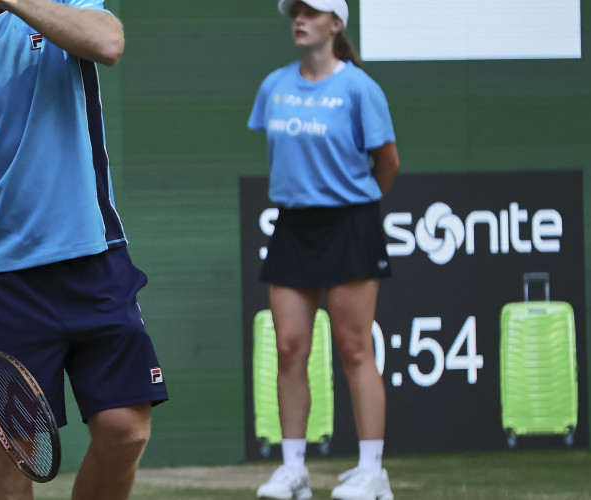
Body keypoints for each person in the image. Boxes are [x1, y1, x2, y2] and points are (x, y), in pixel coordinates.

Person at [0, 1, 168, 499]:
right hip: (0, 282)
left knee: (127, 431)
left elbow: (108, 42)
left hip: (96, 260)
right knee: (14, 459)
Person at [247, 1, 401, 499]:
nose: (299, 18)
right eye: (295, 11)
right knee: (290, 348)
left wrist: (355, 208)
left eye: (312, 12)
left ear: (336, 24)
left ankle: (372, 472)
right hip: (294, 225)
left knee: (355, 348)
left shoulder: (360, 88)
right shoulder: (274, 86)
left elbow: (388, 162)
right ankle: (294, 472)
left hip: (349, 223)